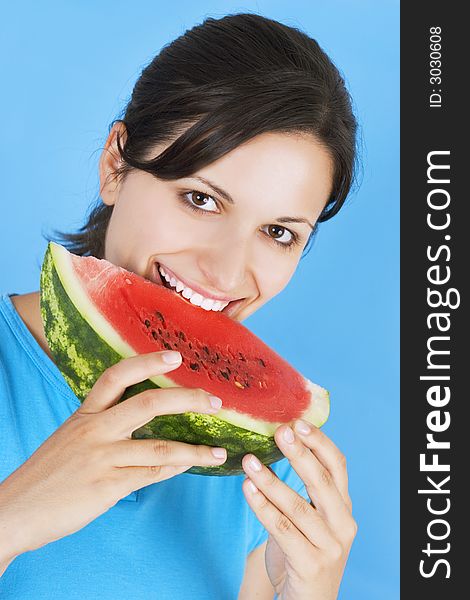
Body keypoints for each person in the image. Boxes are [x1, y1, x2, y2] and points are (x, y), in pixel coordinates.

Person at [0, 12, 359, 600]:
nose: (225, 271)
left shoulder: (267, 462)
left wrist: (310, 593)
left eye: (279, 233)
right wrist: (10, 519)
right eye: (200, 199)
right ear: (116, 165)